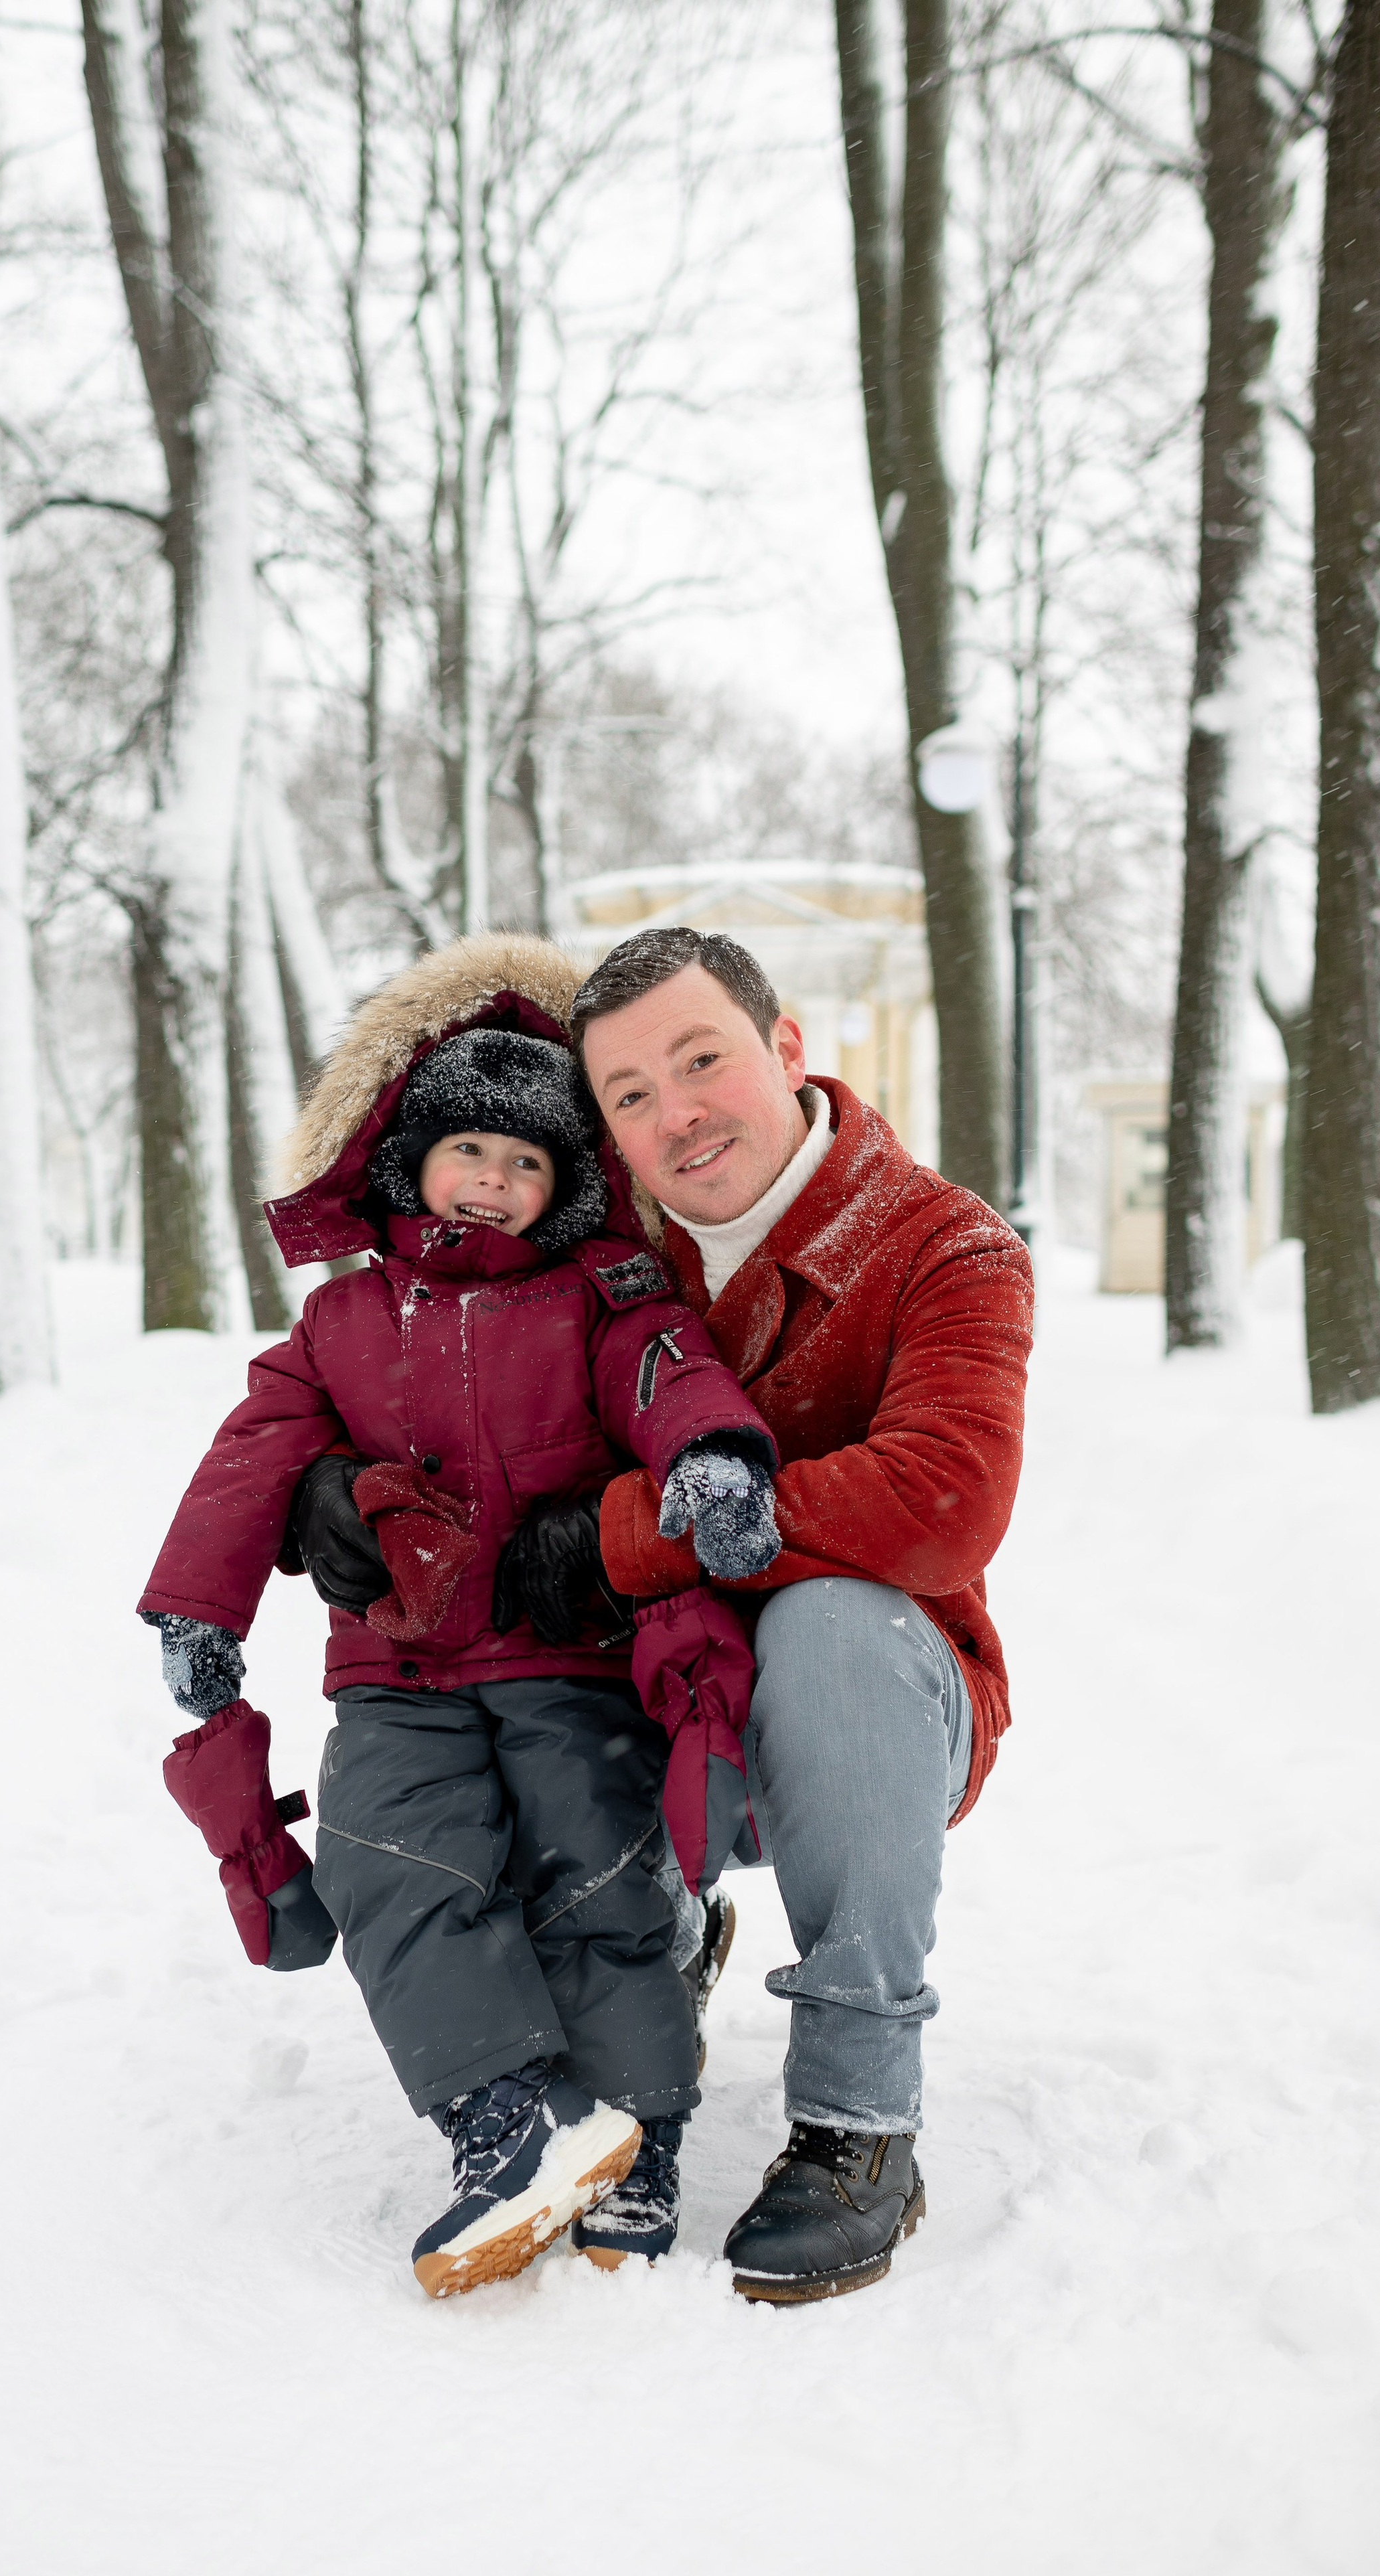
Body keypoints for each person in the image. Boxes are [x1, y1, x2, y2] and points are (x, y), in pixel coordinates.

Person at [137, 935, 779, 2298]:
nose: (493, 1176)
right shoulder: (341, 1319)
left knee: (589, 1868)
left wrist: (709, 1457)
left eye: (528, 1160)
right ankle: (503, 2115)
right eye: (468, 1149)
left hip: (566, 1658)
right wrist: (200, 1608)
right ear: (407, 1162)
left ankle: (635, 2126)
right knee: (389, 1866)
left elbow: (671, 1375)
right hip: (397, 1672)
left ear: (565, 1188)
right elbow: (252, 1454)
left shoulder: (606, 1298)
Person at [568, 925, 1033, 2306]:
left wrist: (620, 1535)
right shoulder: (592, 1254)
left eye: (700, 1059)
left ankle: (856, 2123)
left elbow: (938, 1500)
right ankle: (643, 1947)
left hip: (873, 1711)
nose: (676, 1114)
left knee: (829, 1617)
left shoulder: (942, 1243)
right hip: (660, 1705)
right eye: (629, 1094)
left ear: (783, 1046)